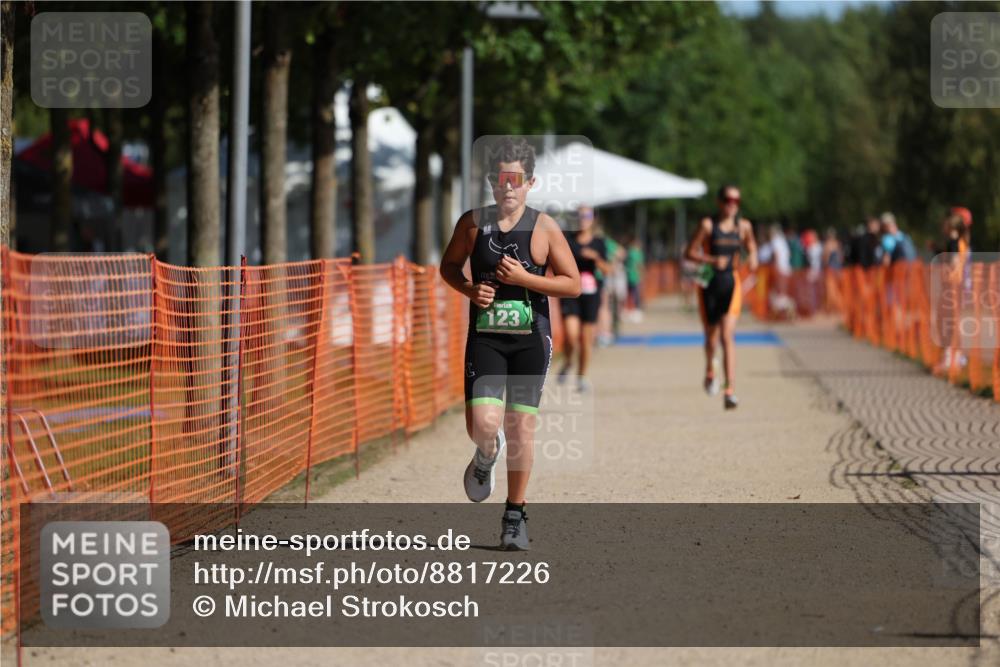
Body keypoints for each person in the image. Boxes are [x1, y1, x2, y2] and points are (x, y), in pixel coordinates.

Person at [439, 138, 580, 550]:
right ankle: (486, 455)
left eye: (516, 180)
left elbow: (571, 284)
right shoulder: (471, 223)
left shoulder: (544, 227)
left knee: (521, 428)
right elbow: (447, 267)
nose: (508, 187)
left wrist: (525, 280)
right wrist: (468, 289)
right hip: (486, 338)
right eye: (501, 179)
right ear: (491, 181)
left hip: (531, 340)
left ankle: (515, 515)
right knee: (482, 426)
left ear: (530, 182)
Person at [684, 184, 758, 409]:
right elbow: (689, 253)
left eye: (737, 201)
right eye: (728, 200)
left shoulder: (744, 226)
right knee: (711, 338)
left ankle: (730, 390)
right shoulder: (708, 226)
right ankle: (709, 368)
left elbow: (751, 246)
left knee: (727, 336)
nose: (732, 205)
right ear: (719, 202)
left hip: (730, 283)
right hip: (708, 284)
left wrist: (753, 257)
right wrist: (711, 261)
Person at [556, 205, 609, 392]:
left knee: (586, 339)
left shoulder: (599, 243)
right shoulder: (568, 240)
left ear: (593, 218)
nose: (583, 218)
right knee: (571, 336)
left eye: (586, 215)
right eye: (579, 215)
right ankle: (569, 361)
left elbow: (607, 270)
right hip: (570, 294)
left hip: (591, 294)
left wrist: (595, 258)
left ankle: (582, 376)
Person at [625, 235, 645, 321]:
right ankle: (634, 310)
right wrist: (642, 275)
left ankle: (634, 310)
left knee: (633, 294)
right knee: (634, 294)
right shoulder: (635, 252)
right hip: (633, 276)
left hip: (632, 276)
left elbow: (639, 265)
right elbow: (640, 265)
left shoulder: (631, 252)